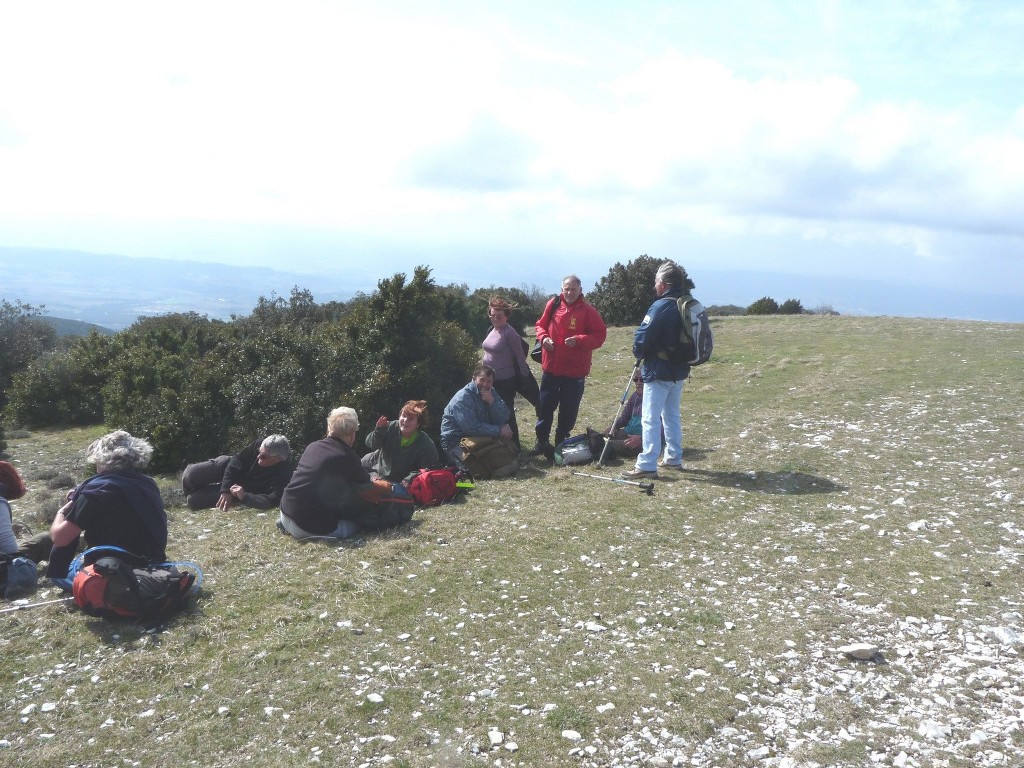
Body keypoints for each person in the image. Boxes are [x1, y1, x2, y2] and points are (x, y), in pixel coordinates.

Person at [45, 430, 169, 583]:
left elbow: (60, 538)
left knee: (62, 575)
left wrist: (62, 512)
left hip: (113, 572)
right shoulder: (147, 483)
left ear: (102, 459)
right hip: (152, 566)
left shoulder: (95, 491)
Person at [279, 407, 413, 540]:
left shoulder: (313, 446)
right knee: (357, 523)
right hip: (307, 527)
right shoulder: (345, 455)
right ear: (352, 433)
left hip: (286, 512)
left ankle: (289, 526)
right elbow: (367, 487)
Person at [622, 261, 695, 481]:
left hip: (659, 369)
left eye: (656, 281)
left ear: (663, 283)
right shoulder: (687, 304)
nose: (655, 285)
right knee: (671, 414)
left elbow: (641, 338)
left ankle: (646, 464)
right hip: (680, 370)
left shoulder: (661, 306)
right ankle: (673, 456)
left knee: (650, 417)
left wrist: (639, 353)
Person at [533, 274, 607, 457]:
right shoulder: (553, 304)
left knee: (568, 410)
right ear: (562, 289)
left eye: (573, 289)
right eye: (566, 288)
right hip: (551, 368)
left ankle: (561, 444)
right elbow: (540, 325)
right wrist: (543, 338)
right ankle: (542, 442)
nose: (569, 292)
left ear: (580, 290)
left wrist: (580, 340)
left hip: (575, 372)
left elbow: (600, 335)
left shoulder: (588, 311)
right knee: (545, 407)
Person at [481, 296, 539, 452]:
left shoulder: (509, 333)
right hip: (490, 381)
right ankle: (500, 446)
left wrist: (527, 380)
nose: (494, 319)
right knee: (493, 413)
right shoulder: (491, 330)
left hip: (506, 381)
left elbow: (520, 358)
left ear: (506, 316)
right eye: (492, 315)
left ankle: (515, 448)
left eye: (498, 316)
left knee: (506, 415)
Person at [440, 364, 518, 478]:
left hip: (480, 438)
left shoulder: (491, 391)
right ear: (474, 378)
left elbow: (504, 416)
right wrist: (499, 431)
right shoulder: (462, 398)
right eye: (482, 380)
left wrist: (492, 402)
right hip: (457, 442)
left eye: (489, 381)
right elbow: (471, 428)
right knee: (477, 472)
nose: (485, 384)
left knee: (505, 461)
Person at [181, 435, 293, 511]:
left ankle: (188, 495)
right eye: (259, 452)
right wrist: (225, 489)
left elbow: (271, 500)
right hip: (228, 467)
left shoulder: (284, 475)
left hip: (240, 489)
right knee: (190, 474)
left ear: (278, 459)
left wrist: (245, 497)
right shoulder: (259, 444)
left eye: (263, 456)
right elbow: (236, 462)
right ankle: (186, 491)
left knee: (193, 501)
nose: (258, 457)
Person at [362, 400, 440, 481]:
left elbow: (429, 469)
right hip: (373, 469)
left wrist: (409, 479)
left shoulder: (425, 444)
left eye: (411, 419)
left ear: (418, 424)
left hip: (402, 484)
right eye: (404, 416)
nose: (405, 420)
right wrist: (379, 430)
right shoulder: (390, 427)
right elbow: (371, 444)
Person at [601, 374, 645, 458]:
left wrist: (641, 439)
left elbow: (661, 431)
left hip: (642, 441)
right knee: (600, 437)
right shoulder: (635, 396)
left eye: (642, 380)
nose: (638, 383)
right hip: (627, 433)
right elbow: (625, 418)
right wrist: (614, 426)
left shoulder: (657, 401)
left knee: (605, 445)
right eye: (636, 380)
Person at [0, 460, 29, 557]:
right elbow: (11, 549)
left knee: (17, 525)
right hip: (5, 564)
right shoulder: (0, 503)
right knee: (44, 539)